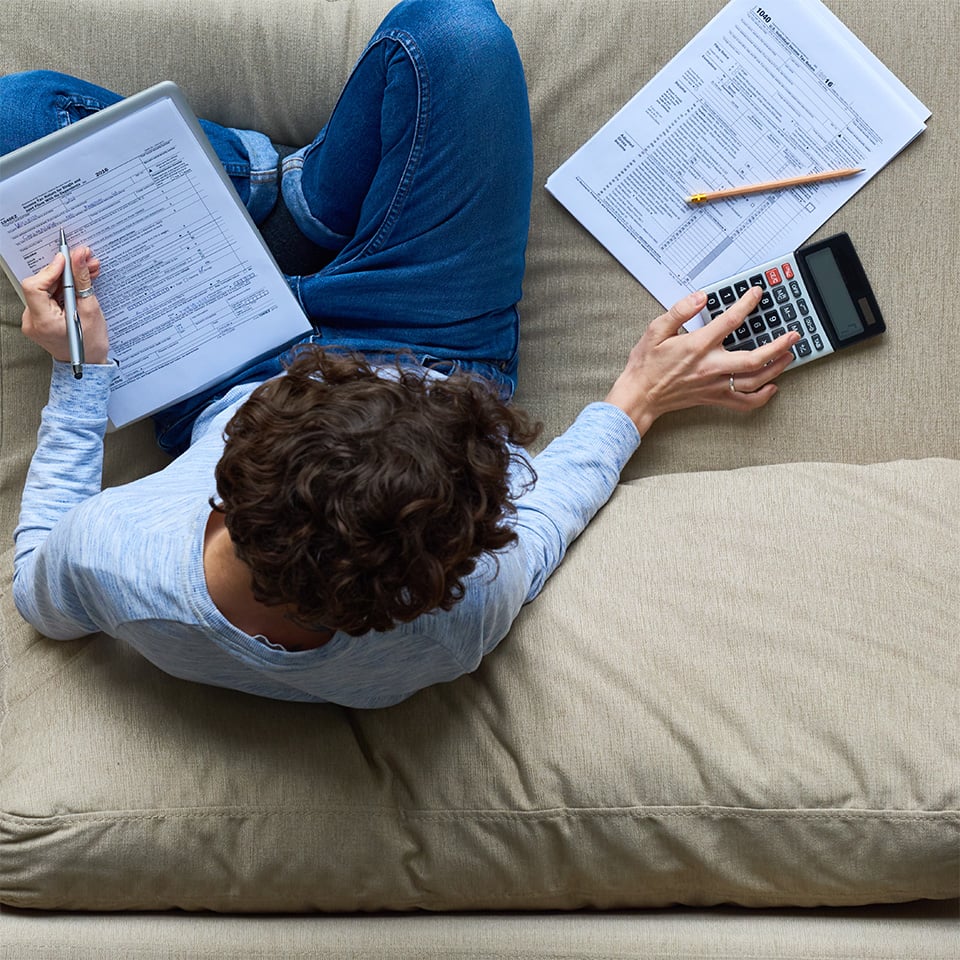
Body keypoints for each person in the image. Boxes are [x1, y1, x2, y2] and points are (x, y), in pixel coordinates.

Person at [5, 0, 798, 708]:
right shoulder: (456, 610)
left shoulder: (116, 558)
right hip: (430, 343)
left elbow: (35, 585)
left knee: (17, 116)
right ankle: (299, 200)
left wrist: (80, 367)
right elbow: (549, 515)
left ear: (221, 493)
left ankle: (273, 194)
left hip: (227, 365)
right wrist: (638, 399)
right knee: (457, 31)